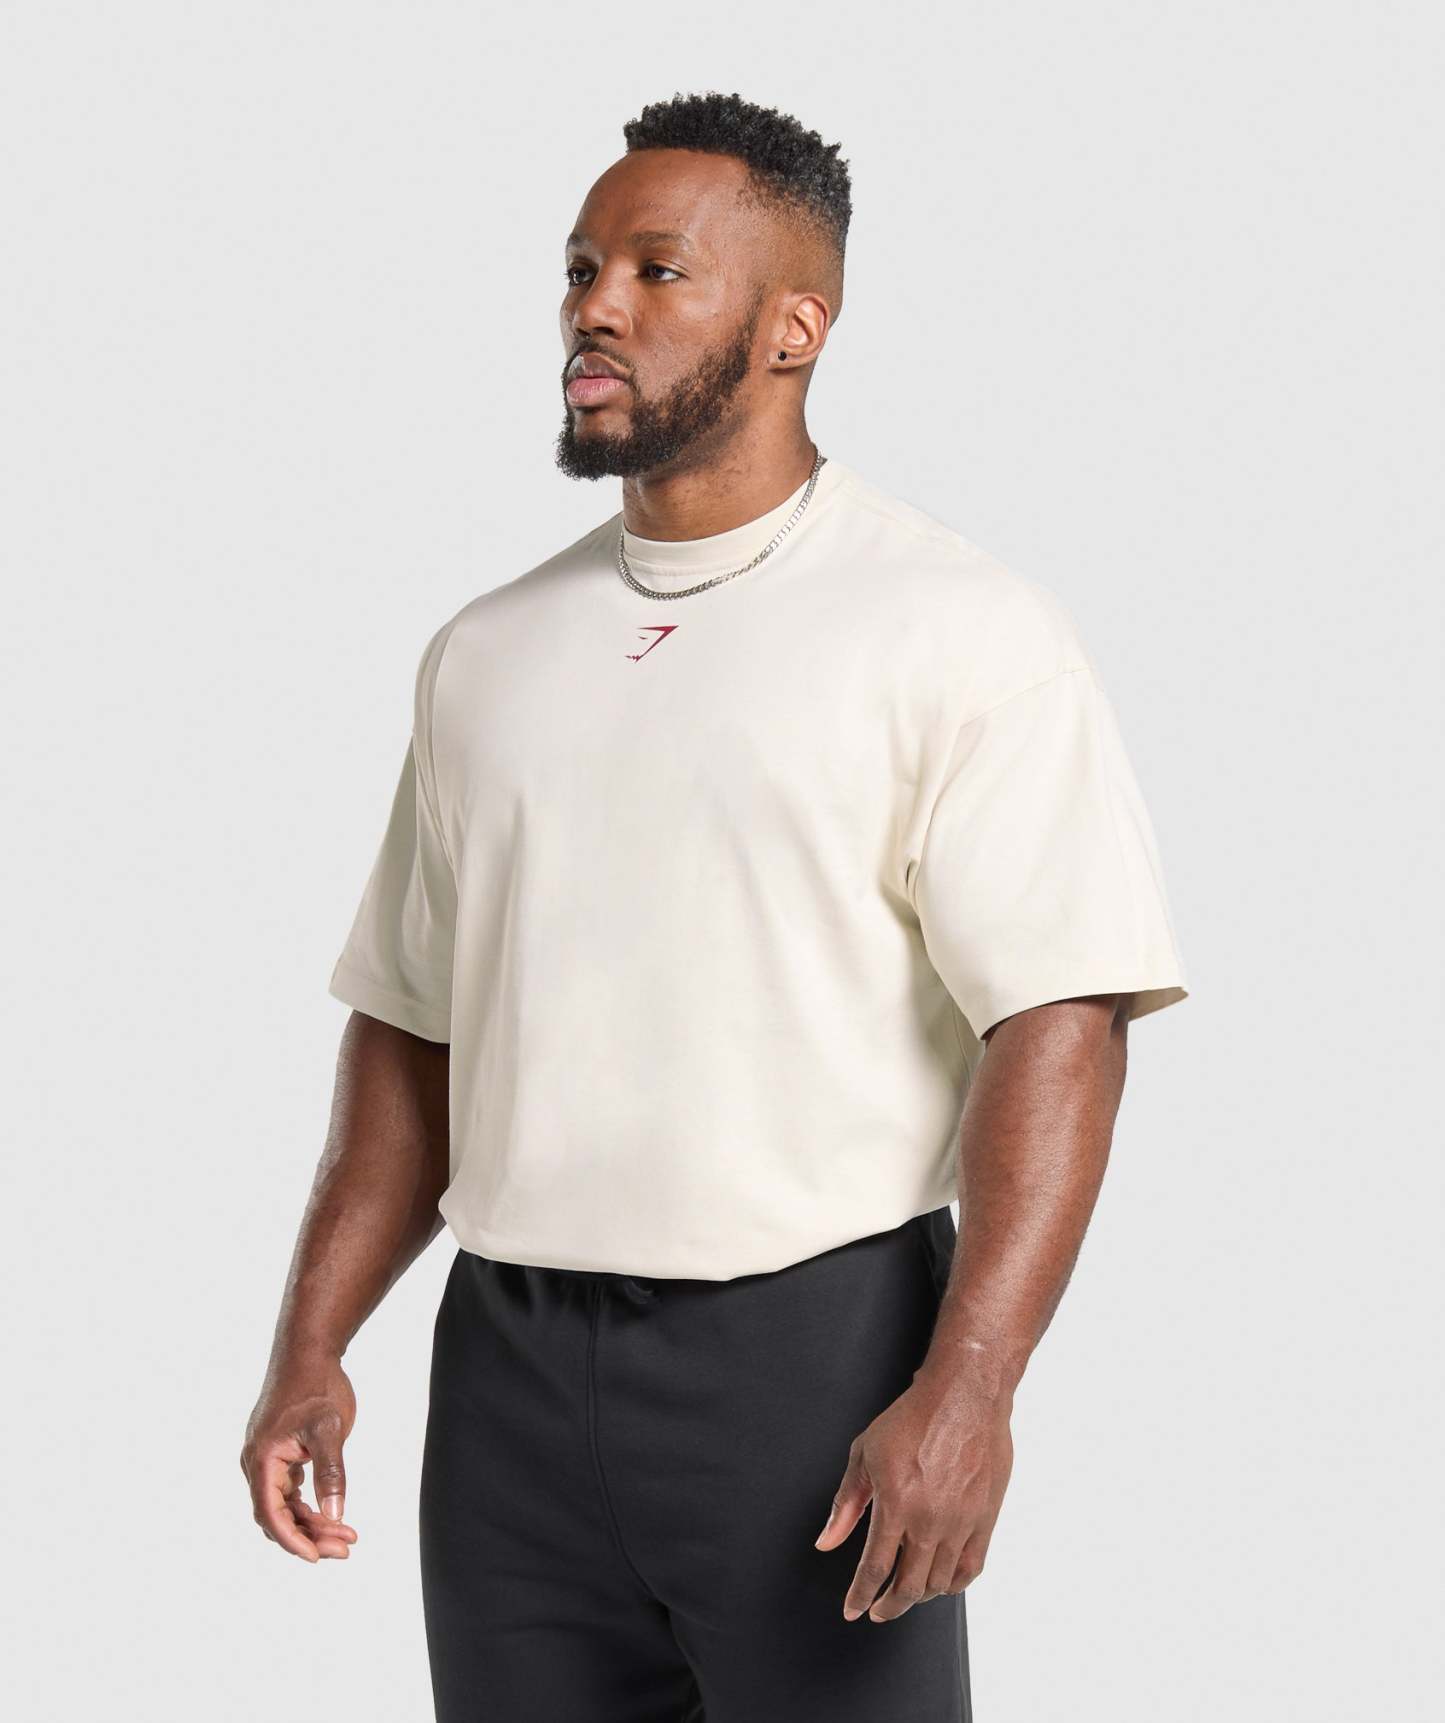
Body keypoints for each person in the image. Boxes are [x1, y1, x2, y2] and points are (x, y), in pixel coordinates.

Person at [241, 90, 1189, 1722]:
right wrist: (310, 1343)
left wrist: (969, 1388)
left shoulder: (954, 629)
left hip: (811, 1358)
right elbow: (411, 1025)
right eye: (580, 267)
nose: (594, 307)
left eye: (657, 270)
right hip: (508, 1374)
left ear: (793, 326)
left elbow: (1059, 1019)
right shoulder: (486, 652)